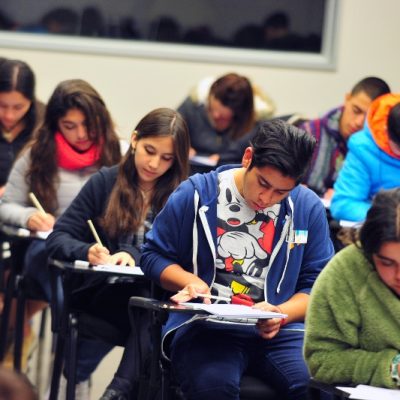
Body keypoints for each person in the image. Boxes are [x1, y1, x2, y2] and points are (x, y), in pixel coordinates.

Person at [141, 119, 334, 400]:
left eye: (281, 192)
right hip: (205, 327)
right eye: (263, 183)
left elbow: (317, 284)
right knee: (214, 387)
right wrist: (190, 281)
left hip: (281, 333)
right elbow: (152, 256)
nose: (266, 198)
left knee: (317, 387)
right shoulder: (197, 195)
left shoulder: (306, 207)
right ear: (247, 158)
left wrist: (280, 313)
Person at [46, 108, 190, 400]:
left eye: (166, 158)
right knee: (148, 316)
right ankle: (116, 391)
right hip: (106, 295)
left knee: (151, 311)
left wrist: (134, 255)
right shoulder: (105, 181)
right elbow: (57, 237)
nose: (154, 164)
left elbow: (185, 256)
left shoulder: (181, 195)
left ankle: (116, 391)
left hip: (153, 301)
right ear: (134, 140)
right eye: (149, 150)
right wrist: (89, 251)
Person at [0, 78, 121, 371]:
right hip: (48, 247)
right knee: (60, 275)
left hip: (99, 252)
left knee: (115, 294)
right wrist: (29, 217)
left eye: (88, 125)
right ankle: (69, 348)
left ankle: (73, 366)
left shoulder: (117, 152)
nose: (81, 134)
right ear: (55, 124)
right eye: (70, 126)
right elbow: (6, 206)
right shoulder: (38, 153)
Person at [304, 188, 400, 389]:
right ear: (368, 251)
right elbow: (322, 359)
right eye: (387, 263)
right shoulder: (345, 272)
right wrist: (390, 367)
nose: (399, 276)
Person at [301, 77, 390, 198]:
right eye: (356, 110)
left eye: (369, 118)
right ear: (347, 98)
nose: (359, 122)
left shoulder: (383, 149)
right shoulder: (309, 133)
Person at [177, 72, 275, 170]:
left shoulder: (256, 124)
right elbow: (173, 132)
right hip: (190, 168)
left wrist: (223, 158)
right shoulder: (192, 106)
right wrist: (183, 146)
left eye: (222, 117)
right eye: (211, 110)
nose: (215, 115)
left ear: (239, 114)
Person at [330, 93, 400, 222]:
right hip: (384, 230)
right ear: (386, 132)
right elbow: (343, 205)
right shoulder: (363, 148)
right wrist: (393, 218)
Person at [0, 59, 45, 197]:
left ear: (31, 101)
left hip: (26, 206)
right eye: (2, 105)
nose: (9, 115)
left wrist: (10, 191)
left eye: (18, 107)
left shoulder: (44, 123)